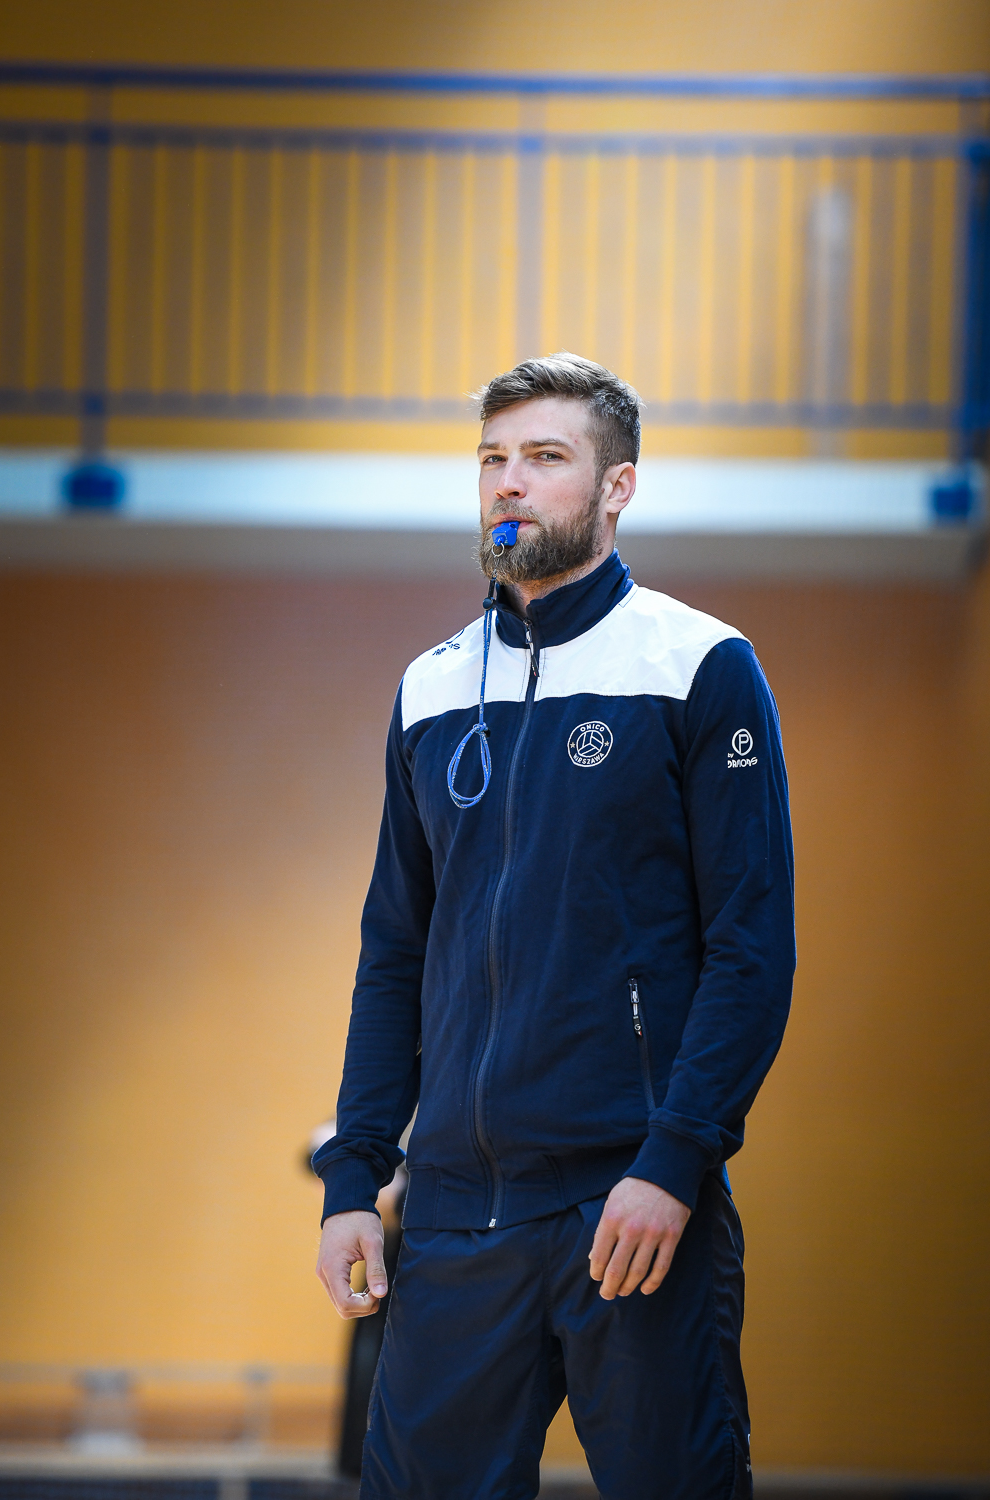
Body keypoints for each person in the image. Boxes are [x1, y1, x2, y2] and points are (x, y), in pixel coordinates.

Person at [313, 353, 796, 1500]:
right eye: (492, 459)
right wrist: (354, 1180)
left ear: (617, 486)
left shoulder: (698, 666)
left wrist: (674, 1161)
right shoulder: (431, 688)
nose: (509, 483)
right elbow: (394, 955)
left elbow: (749, 946)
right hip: (453, 1216)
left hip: (629, 1209)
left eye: (543, 457)